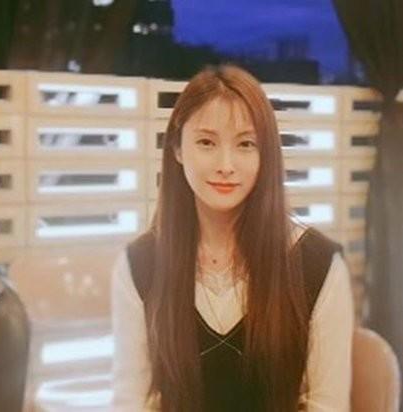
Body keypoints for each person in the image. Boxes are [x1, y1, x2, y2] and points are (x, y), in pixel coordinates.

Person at [110, 64, 354, 411]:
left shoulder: (319, 265)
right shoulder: (139, 265)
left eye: (245, 144)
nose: (226, 165)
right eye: (207, 142)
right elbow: (130, 402)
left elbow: (328, 405)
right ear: (177, 148)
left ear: (266, 154)